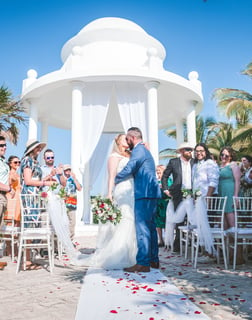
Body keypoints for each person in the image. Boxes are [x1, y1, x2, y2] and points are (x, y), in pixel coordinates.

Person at [115, 127, 161, 273]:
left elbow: (130, 167)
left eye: (127, 139)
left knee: (142, 228)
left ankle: (143, 263)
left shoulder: (138, 150)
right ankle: (153, 259)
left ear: (132, 137)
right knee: (151, 227)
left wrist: (116, 178)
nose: (127, 142)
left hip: (144, 193)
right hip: (152, 193)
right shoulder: (143, 150)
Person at [20, 139, 54, 270]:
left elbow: (36, 179)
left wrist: (48, 177)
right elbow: (28, 181)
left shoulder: (34, 162)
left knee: (34, 226)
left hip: (35, 197)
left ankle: (29, 259)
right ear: (32, 149)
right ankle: (26, 260)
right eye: (37, 147)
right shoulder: (27, 161)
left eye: (40, 147)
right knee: (29, 226)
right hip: (29, 197)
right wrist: (45, 184)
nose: (39, 149)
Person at [161, 142, 194, 252]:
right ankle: (177, 244)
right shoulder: (173, 162)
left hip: (193, 192)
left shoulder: (195, 162)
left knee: (193, 218)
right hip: (177, 193)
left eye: (190, 150)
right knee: (179, 219)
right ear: (181, 151)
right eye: (187, 149)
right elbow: (165, 176)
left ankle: (195, 244)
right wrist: (165, 189)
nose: (190, 151)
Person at [0, 136, 14, 270]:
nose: (4, 147)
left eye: (5, 145)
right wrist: (9, 188)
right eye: (1, 145)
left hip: (3, 197)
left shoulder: (3, 162)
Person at [218, 147, 241, 230]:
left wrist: (236, 195)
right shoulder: (219, 166)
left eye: (226, 155)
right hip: (221, 192)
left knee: (230, 216)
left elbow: (237, 181)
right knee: (222, 218)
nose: (223, 156)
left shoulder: (233, 165)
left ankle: (235, 241)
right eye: (222, 154)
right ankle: (226, 242)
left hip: (230, 192)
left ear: (231, 157)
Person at [63, 164, 82, 242]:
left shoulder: (73, 180)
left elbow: (79, 188)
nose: (68, 172)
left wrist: (74, 179)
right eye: (66, 170)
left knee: (72, 222)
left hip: (72, 203)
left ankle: (70, 239)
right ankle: (64, 240)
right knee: (64, 222)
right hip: (63, 203)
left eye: (69, 170)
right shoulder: (62, 179)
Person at [155, 164, 172, 247]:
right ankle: (160, 240)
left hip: (166, 203)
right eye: (157, 171)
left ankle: (167, 240)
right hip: (157, 203)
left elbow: (171, 191)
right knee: (158, 223)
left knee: (166, 222)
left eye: (159, 171)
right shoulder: (155, 181)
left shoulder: (168, 180)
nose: (158, 173)